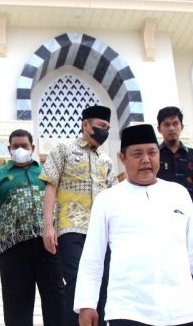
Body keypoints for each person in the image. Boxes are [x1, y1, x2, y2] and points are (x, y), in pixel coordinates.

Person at [74, 124, 193, 326]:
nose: (146, 160)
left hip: (183, 310)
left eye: (152, 153)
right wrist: (86, 304)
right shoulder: (106, 200)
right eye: (137, 154)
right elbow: (93, 258)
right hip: (128, 311)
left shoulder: (178, 193)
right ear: (122, 158)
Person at [41, 105, 116, 326]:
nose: (104, 131)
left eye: (107, 127)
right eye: (101, 126)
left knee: (102, 284)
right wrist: (48, 227)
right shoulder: (63, 149)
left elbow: (114, 198)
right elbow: (51, 187)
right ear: (85, 125)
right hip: (70, 228)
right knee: (76, 282)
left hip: (101, 232)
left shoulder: (107, 160)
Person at [0, 129, 63, 326]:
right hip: (13, 249)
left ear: (32, 147)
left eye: (24, 146)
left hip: (48, 246)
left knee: (56, 301)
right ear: (9, 149)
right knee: (17, 308)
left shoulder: (46, 172)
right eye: (15, 146)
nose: (20, 149)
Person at [156, 106, 193, 239]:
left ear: (182, 127)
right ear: (159, 128)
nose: (171, 128)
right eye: (166, 124)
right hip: (162, 221)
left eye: (175, 123)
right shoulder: (154, 157)